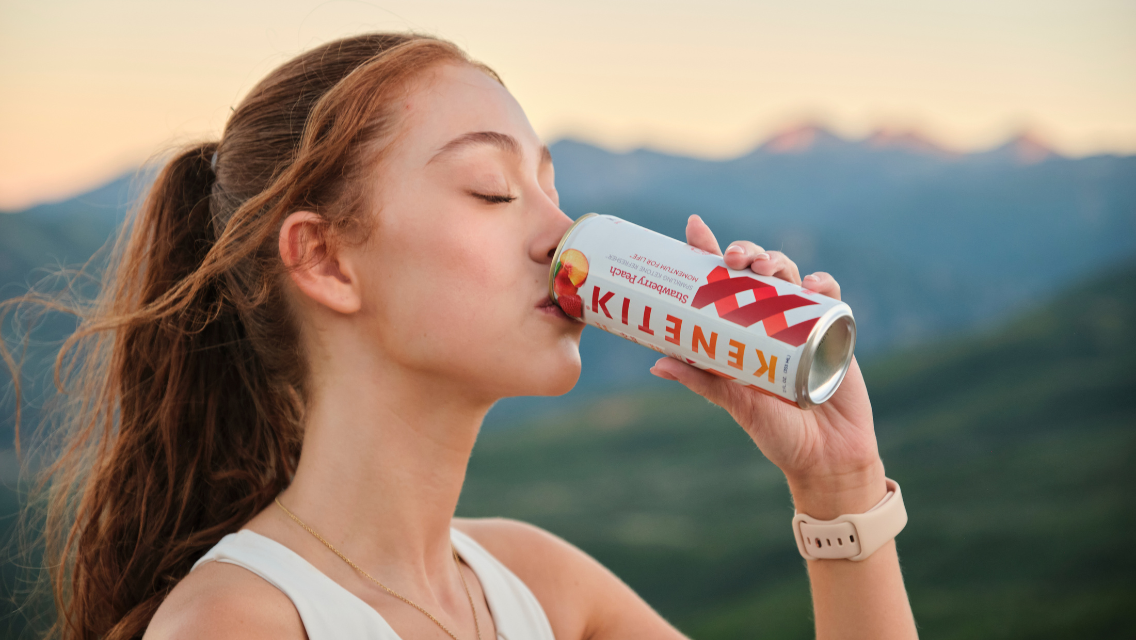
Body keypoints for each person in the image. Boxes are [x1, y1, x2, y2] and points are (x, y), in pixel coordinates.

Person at [10, 33, 917, 640]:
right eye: (492, 190)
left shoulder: (540, 586)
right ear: (325, 260)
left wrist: (837, 488)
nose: (560, 233)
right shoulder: (240, 623)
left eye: (550, 188)